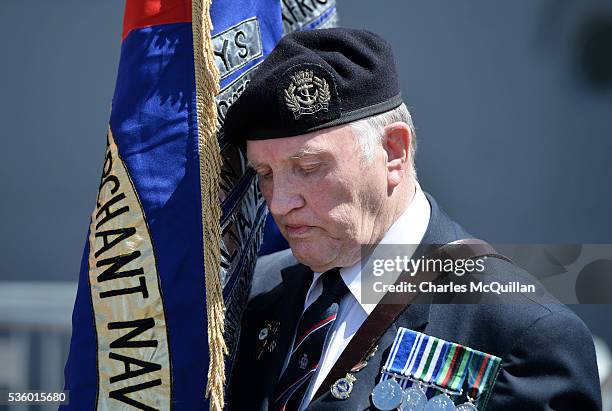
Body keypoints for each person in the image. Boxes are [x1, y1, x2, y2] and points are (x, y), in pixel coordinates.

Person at [223, 28, 601, 410]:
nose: (280, 203)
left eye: (308, 166)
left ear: (394, 152)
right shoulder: (252, 293)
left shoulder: (521, 335)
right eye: (265, 175)